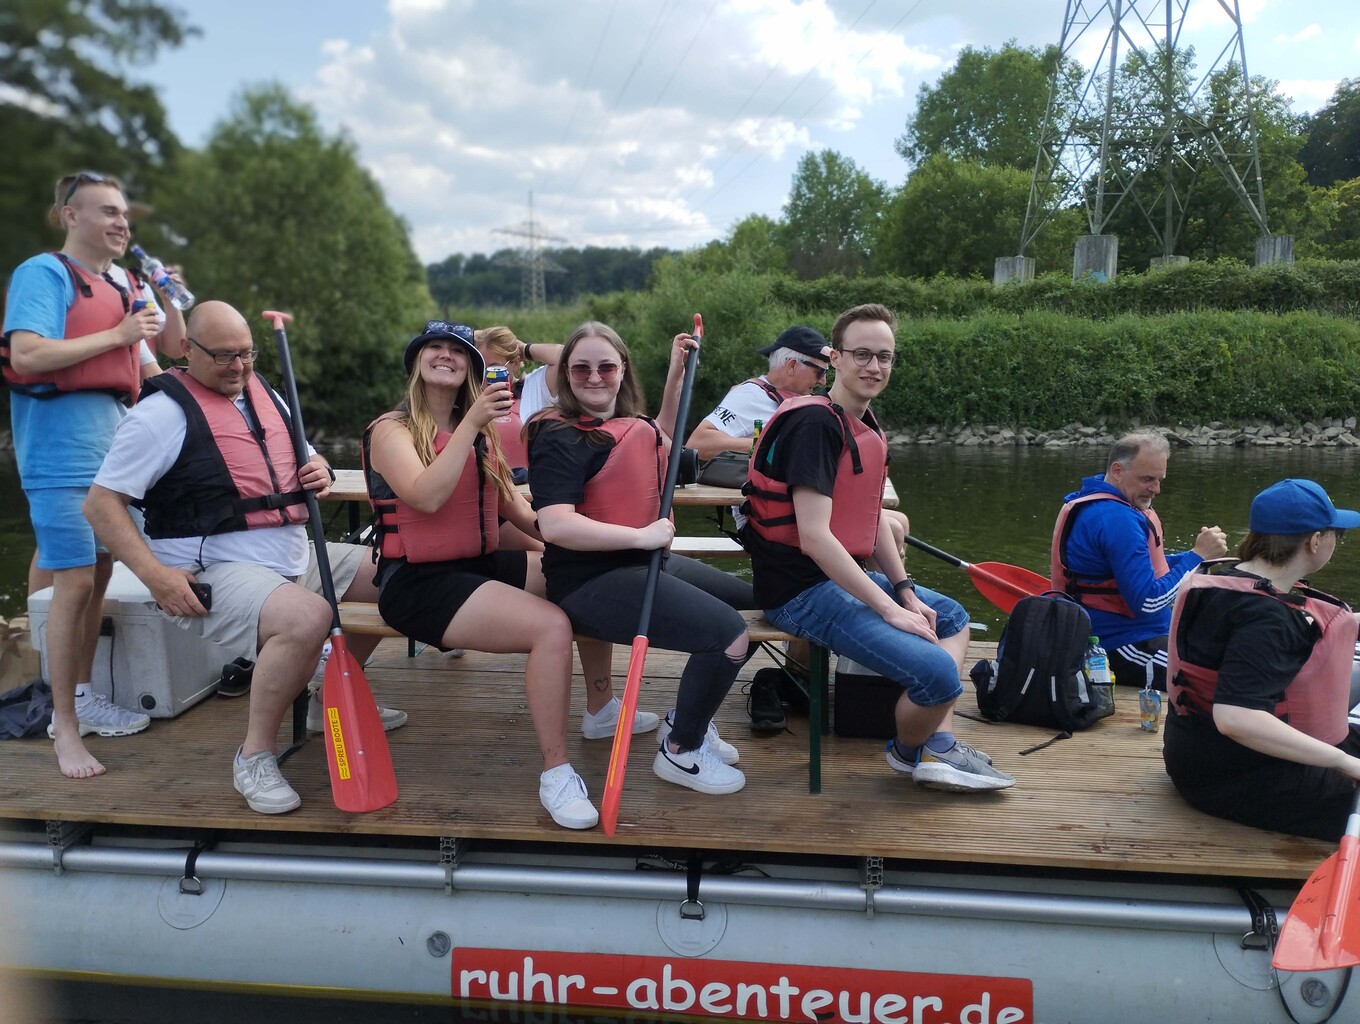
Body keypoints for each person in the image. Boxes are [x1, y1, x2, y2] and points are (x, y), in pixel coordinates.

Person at [83, 300, 403, 814]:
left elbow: (296, 456)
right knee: (307, 618)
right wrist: (156, 578)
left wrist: (316, 468)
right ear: (187, 349)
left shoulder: (262, 393)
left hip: (290, 553)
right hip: (212, 568)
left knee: (401, 574)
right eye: (224, 357)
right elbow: (100, 503)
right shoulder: (160, 415)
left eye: (248, 355)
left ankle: (325, 701)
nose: (239, 368)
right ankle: (254, 755)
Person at [363, 320, 652, 829]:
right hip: (418, 582)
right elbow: (426, 496)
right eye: (434, 347)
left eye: (458, 350)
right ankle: (556, 770)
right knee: (550, 626)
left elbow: (516, 509)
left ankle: (601, 709)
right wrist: (474, 424)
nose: (446, 355)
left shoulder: (482, 433)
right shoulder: (393, 429)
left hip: (477, 564)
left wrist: (576, 537)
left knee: (581, 573)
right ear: (417, 362)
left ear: (472, 366)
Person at [744, 303, 1012, 793]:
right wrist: (890, 608)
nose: (874, 366)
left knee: (950, 617)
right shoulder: (816, 426)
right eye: (862, 354)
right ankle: (909, 751)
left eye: (884, 357)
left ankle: (938, 743)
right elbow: (815, 537)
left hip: (835, 581)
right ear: (835, 358)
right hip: (799, 592)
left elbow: (875, 520)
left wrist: (906, 592)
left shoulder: (865, 423)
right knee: (938, 676)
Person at [2, 171, 184, 779]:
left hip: (115, 452)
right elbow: (27, 353)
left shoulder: (127, 283)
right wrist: (120, 332)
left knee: (101, 575)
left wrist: (166, 303)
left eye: (124, 213)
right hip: (57, 450)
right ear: (67, 215)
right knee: (73, 583)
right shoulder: (43, 274)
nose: (120, 222)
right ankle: (64, 729)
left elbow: (160, 362)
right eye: (105, 210)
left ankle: (82, 697)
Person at [528, 321, 756, 796]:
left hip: (643, 563)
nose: (594, 377)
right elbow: (555, 525)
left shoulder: (626, 424)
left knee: (759, 605)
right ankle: (682, 751)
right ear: (565, 373)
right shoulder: (558, 437)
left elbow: (659, 441)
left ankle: (689, 715)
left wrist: (675, 374)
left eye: (606, 366)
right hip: (588, 581)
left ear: (622, 370)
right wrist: (641, 536)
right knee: (729, 635)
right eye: (581, 368)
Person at [1163, 479, 1360, 841]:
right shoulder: (1267, 619)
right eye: (1337, 534)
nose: (1336, 541)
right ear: (1315, 541)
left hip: (1197, 752)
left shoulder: (1225, 582)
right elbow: (1235, 718)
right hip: (1238, 774)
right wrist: (1344, 762)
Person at [1051, 432, 1229, 691]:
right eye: (1147, 479)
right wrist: (1197, 556)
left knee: (1234, 654)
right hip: (1120, 646)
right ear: (1118, 470)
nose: (1156, 489)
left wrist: (1197, 559)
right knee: (1224, 680)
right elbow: (1147, 602)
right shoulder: (1116, 519)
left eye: (1159, 480)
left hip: (1146, 636)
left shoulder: (1112, 505)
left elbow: (1134, 567)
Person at [472, 326, 562, 481]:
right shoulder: (471, 394)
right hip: (489, 490)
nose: (487, 374)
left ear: (515, 363)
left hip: (531, 492)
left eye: (495, 367)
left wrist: (524, 349)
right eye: (482, 367)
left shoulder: (534, 388)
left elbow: (567, 357)